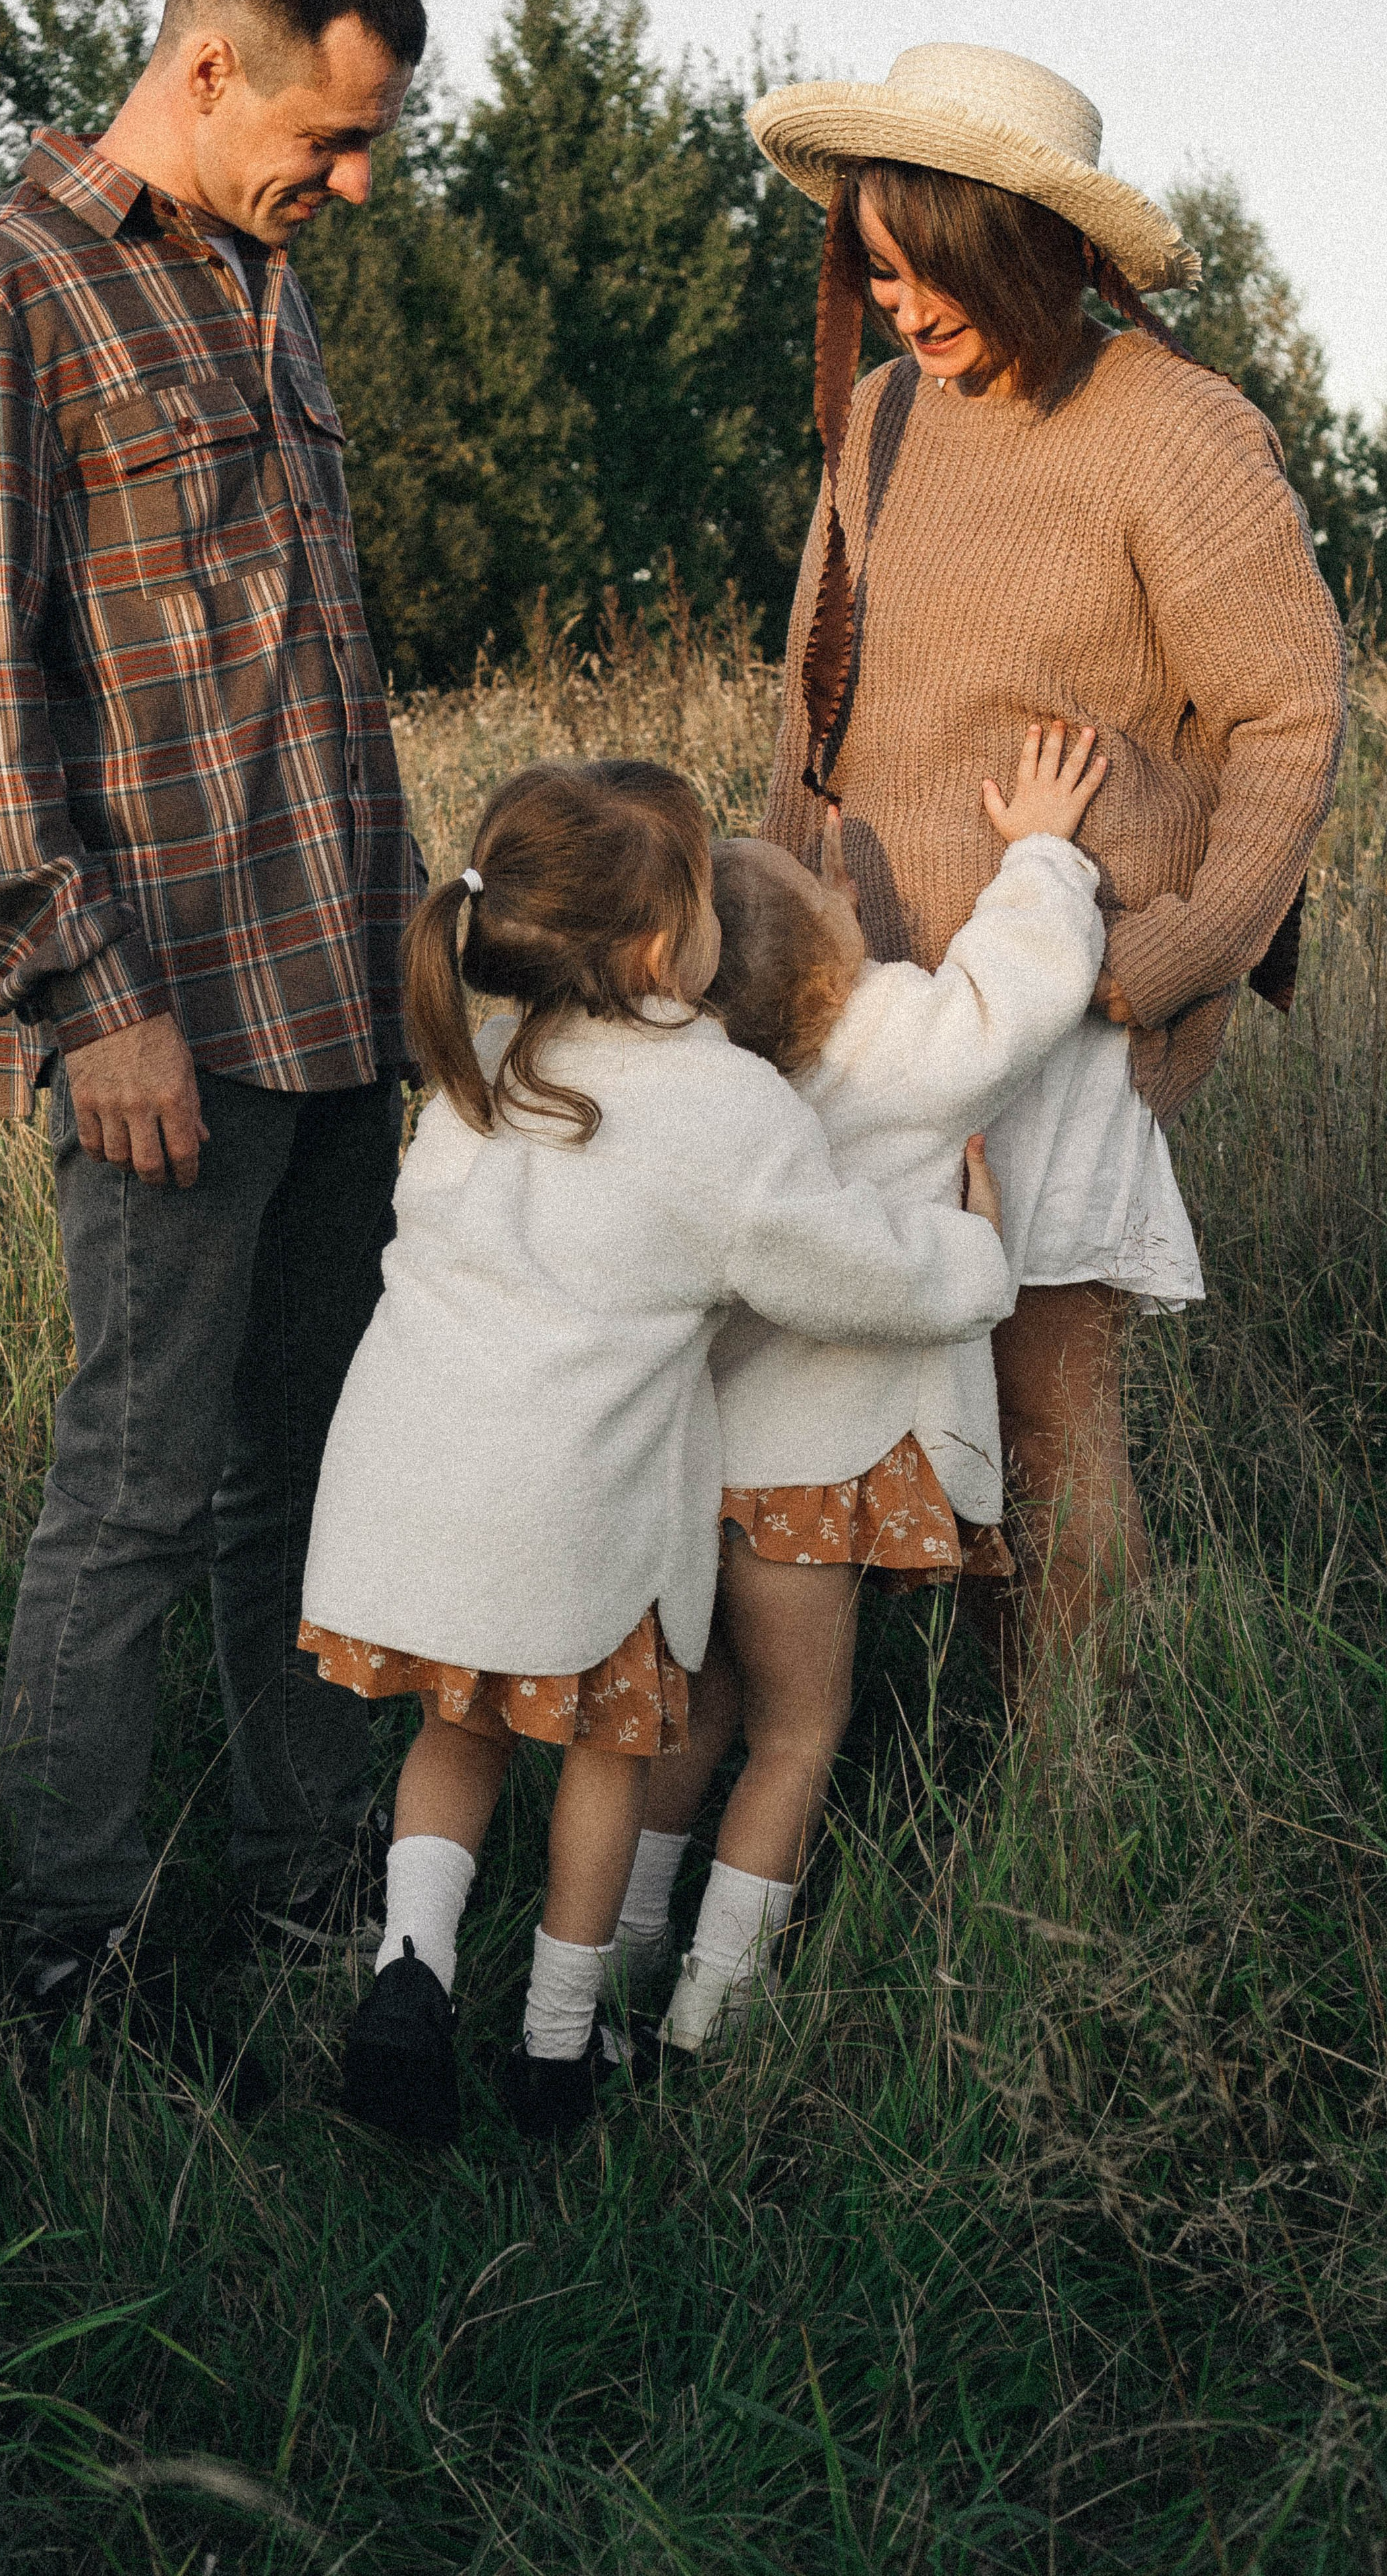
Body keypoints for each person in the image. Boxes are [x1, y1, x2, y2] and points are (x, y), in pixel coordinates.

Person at [0, 0, 431, 2103]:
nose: (356, 182)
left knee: (307, 1477)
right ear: (212, 66)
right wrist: (89, 1004)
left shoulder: (264, 290)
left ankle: (313, 1894)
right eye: (336, 132)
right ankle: (75, 1979)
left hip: (337, 1007)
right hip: (160, 1029)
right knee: (130, 1495)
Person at [295, 758, 1020, 2147]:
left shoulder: (488, 1062)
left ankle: (411, 1968)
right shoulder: (718, 1109)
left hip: (414, 1477)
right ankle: (556, 2054)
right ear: (653, 944)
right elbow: (843, 1272)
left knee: (456, 1733)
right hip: (578, 1506)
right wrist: (970, 1249)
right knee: (605, 1762)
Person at [746, 43, 1347, 1694]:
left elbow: (1289, 720)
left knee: (1039, 1397)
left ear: (1045, 249)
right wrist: (762, 970)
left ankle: (1063, 1810)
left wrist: (1164, 962)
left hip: (1060, 1008)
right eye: (878, 271)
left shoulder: (1172, 427)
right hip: (858, 1003)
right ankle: (854, 1752)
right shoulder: (874, 419)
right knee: (825, 1385)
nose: (911, 314)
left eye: (943, 273)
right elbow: (815, 714)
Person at [609, 724, 1108, 2051]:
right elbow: (1012, 998)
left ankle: (617, 1951)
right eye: (833, 894)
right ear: (836, 954)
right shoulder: (893, 1045)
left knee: (697, 1716)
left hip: (702, 1470)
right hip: (812, 1483)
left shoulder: (715, 1092)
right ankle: (713, 2014)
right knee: (797, 1734)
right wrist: (1042, 855)